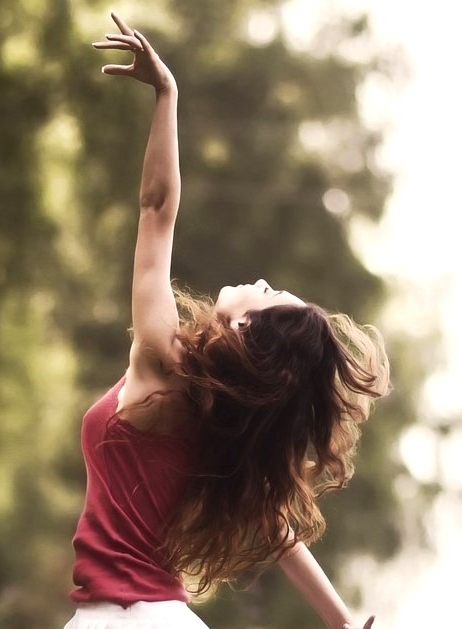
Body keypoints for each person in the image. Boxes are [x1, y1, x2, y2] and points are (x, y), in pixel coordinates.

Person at [62, 11, 390, 629]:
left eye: (271, 296)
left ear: (249, 333)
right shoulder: (224, 424)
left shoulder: (162, 359)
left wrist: (167, 95)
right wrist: (342, 622)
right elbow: (279, 528)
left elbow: (156, 210)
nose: (262, 282)